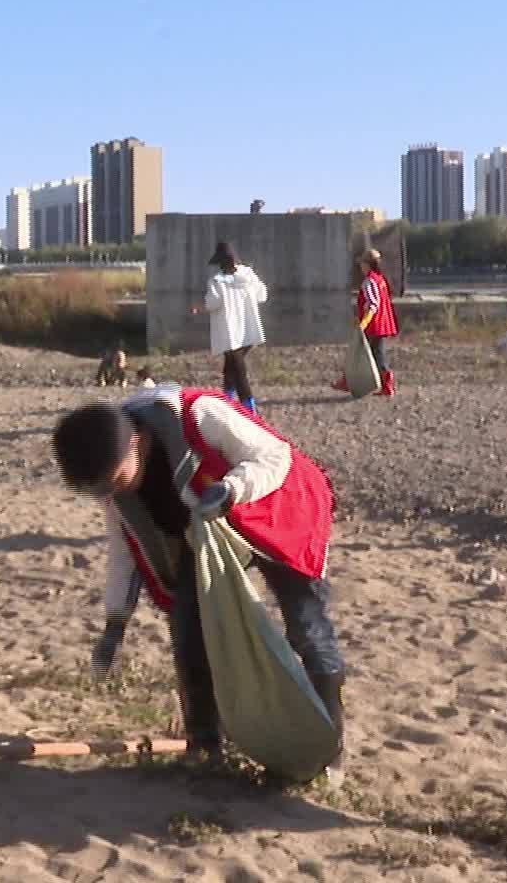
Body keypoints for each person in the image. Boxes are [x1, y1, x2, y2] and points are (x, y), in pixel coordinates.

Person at [51, 384, 347, 782]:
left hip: (279, 509)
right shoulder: (116, 486)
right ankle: (204, 745)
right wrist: (114, 624)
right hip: (205, 532)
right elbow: (125, 550)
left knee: (307, 627)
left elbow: (275, 456)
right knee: (188, 625)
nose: (110, 491)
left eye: (112, 479)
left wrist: (230, 490)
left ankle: (329, 754)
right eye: (99, 488)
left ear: (137, 442)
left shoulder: (198, 415)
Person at [188, 242, 267, 414]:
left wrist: (198, 307)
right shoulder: (249, 276)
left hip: (230, 332)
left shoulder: (217, 281)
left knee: (239, 371)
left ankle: (249, 408)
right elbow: (262, 296)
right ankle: (228, 399)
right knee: (231, 366)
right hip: (249, 329)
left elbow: (213, 303)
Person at [333, 248, 398, 397]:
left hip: (373, 326)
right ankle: (381, 385)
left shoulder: (369, 282)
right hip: (379, 325)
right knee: (374, 354)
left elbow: (372, 305)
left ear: (367, 264)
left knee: (361, 354)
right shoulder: (380, 279)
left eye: (362, 263)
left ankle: (350, 383)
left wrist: (363, 324)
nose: (361, 267)